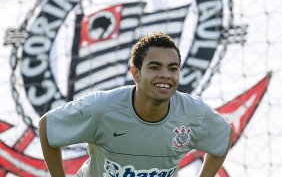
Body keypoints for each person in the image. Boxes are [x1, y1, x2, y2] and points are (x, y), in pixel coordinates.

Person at [38, 32, 233, 177]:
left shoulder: (193, 112)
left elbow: (224, 135)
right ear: (136, 73)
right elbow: (48, 127)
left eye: (173, 68)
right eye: (155, 67)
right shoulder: (102, 108)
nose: (166, 74)